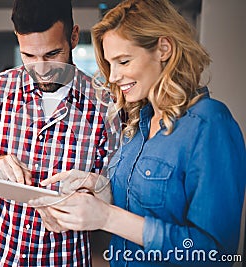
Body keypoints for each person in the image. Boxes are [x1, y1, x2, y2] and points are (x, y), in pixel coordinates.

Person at [30, 0, 246, 266]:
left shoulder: (209, 124)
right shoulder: (138, 124)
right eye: (111, 64)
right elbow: (144, 202)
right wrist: (97, 190)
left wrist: (107, 217)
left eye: (124, 61)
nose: (114, 76)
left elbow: (216, 253)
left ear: (163, 49)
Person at [0, 0, 119, 265]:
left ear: (74, 37)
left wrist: (87, 201)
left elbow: (113, 190)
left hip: (62, 256)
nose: (41, 70)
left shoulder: (105, 105)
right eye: (29, 56)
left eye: (53, 54)